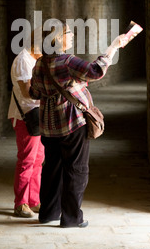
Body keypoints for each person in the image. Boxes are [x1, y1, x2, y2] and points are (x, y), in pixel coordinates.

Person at [29, 19, 127, 228]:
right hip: (72, 123)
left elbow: (34, 92)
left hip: (48, 126)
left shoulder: (39, 63)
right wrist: (113, 47)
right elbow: (95, 71)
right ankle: (72, 218)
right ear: (56, 38)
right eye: (68, 33)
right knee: (76, 169)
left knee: (52, 169)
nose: (72, 36)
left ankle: (48, 213)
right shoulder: (66, 61)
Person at [8, 33, 45, 218]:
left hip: (36, 116)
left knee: (38, 160)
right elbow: (26, 92)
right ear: (35, 45)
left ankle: (33, 200)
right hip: (26, 117)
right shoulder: (24, 60)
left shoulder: (34, 59)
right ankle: (20, 203)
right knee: (27, 160)